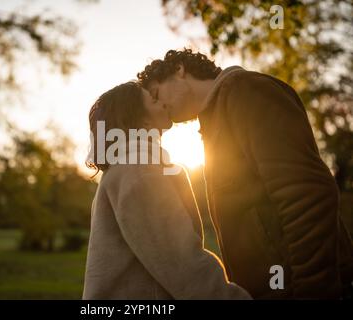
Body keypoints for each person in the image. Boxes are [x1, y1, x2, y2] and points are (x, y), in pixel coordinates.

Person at [137, 48, 353, 299]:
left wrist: (313, 290)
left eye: (156, 94)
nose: (160, 106)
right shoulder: (214, 120)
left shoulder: (247, 91)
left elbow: (306, 196)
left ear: (179, 70)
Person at [82, 81, 251, 300]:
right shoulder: (138, 172)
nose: (163, 103)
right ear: (139, 118)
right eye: (154, 100)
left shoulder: (131, 168)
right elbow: (183, 264)